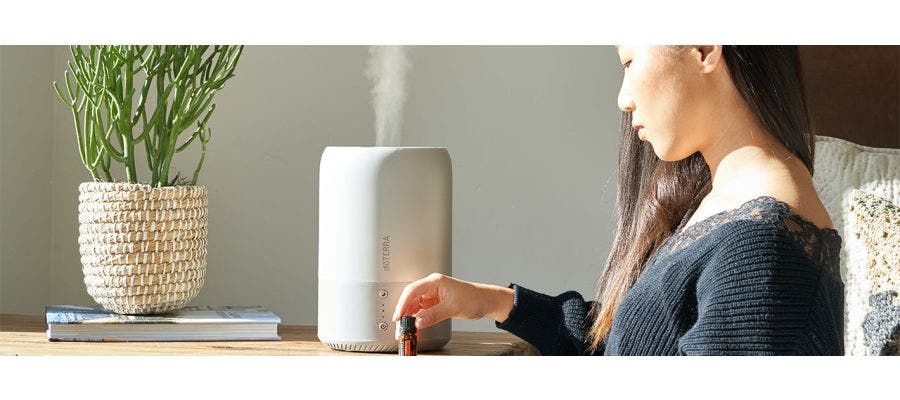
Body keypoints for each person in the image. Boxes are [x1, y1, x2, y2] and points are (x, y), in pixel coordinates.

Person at [391, 45, 844, 355]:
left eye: (629, 61)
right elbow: (630, 345)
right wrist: (488, 301)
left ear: (705, 47)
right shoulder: (734, 209)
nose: (623, 99)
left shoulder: (762, 247)